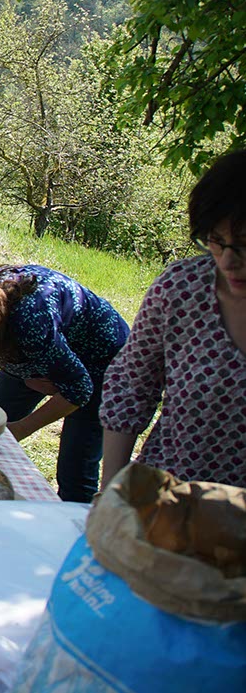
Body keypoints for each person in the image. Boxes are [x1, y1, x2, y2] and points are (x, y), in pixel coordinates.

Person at [0, 264, 128, 503]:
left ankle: (80, 531)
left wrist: (21, 428)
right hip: (41, 353)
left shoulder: (28, 324)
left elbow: (80, 388)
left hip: (103, 361)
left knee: (75, 470)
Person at [101, 150, 246, 490]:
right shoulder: (181, 288)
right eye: (216, 240)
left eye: (244, 245)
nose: (227, 261)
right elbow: (130, 386)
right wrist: (110, 490)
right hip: (164, 503)